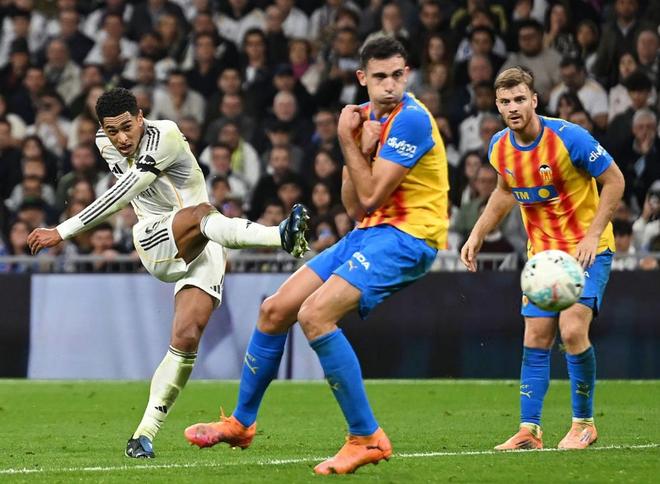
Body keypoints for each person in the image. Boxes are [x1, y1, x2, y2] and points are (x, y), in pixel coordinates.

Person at [184, 36, 449, 475]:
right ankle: (241, 423)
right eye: (379, 77)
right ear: (362, 78)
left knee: (315, 315)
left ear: (407, 75)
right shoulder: (364, 118)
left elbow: (371, 194)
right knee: (275, 310)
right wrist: (357, 146)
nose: (389, 85)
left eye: (397, 75)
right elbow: (356, 206)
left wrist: (347, 140)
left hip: (409, 236)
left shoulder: (412, 120)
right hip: (368, 232)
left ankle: (366, 437)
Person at [26, 87, 310, 459]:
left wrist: (61, 229)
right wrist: (63, 232)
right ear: (102, 130)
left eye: (127, 127)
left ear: (141, 117)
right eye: (112, 131)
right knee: (202, 213)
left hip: (206, 241)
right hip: (154, 238)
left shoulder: (167, 136)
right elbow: (125, 195)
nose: (121, 138)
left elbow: (126, 189)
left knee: (186, 336)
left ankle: (143, 435)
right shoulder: (103, 144)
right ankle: (280, 236)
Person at [461, 67, 625, 450]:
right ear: (497, 106)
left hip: (586, 251)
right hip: (544, 258)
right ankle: (529, 430)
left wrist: (592, 235)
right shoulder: (499, 146)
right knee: (535, 336)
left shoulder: (570, 138)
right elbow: (505, 190)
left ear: (534, 100)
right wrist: (478, 233)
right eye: (505, 101)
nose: (513, 107)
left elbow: (615, 180)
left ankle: (583, 424)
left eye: (520, 99)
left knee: (572, 330)